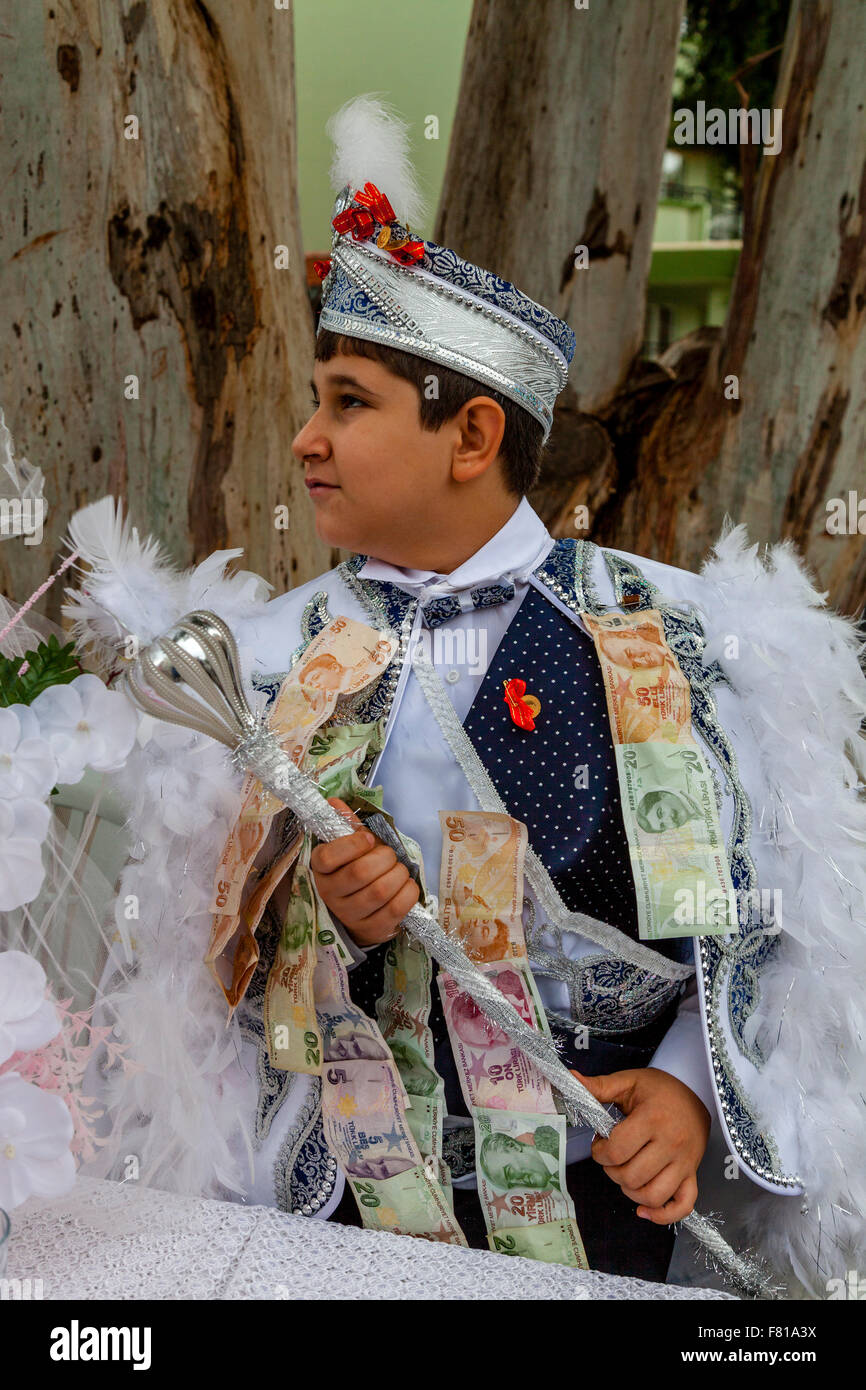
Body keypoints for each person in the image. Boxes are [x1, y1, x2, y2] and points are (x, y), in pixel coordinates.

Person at [76, 93, 866, 1298]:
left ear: (472, 433)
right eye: (315, 399)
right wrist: (329, 918)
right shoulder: (273, 655)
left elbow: (762, 917)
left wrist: (689, 1092)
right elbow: (209, 970)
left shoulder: (683, 639)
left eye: (349, 402)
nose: (304, 438)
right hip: (341, 1214)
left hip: (605, 1201)